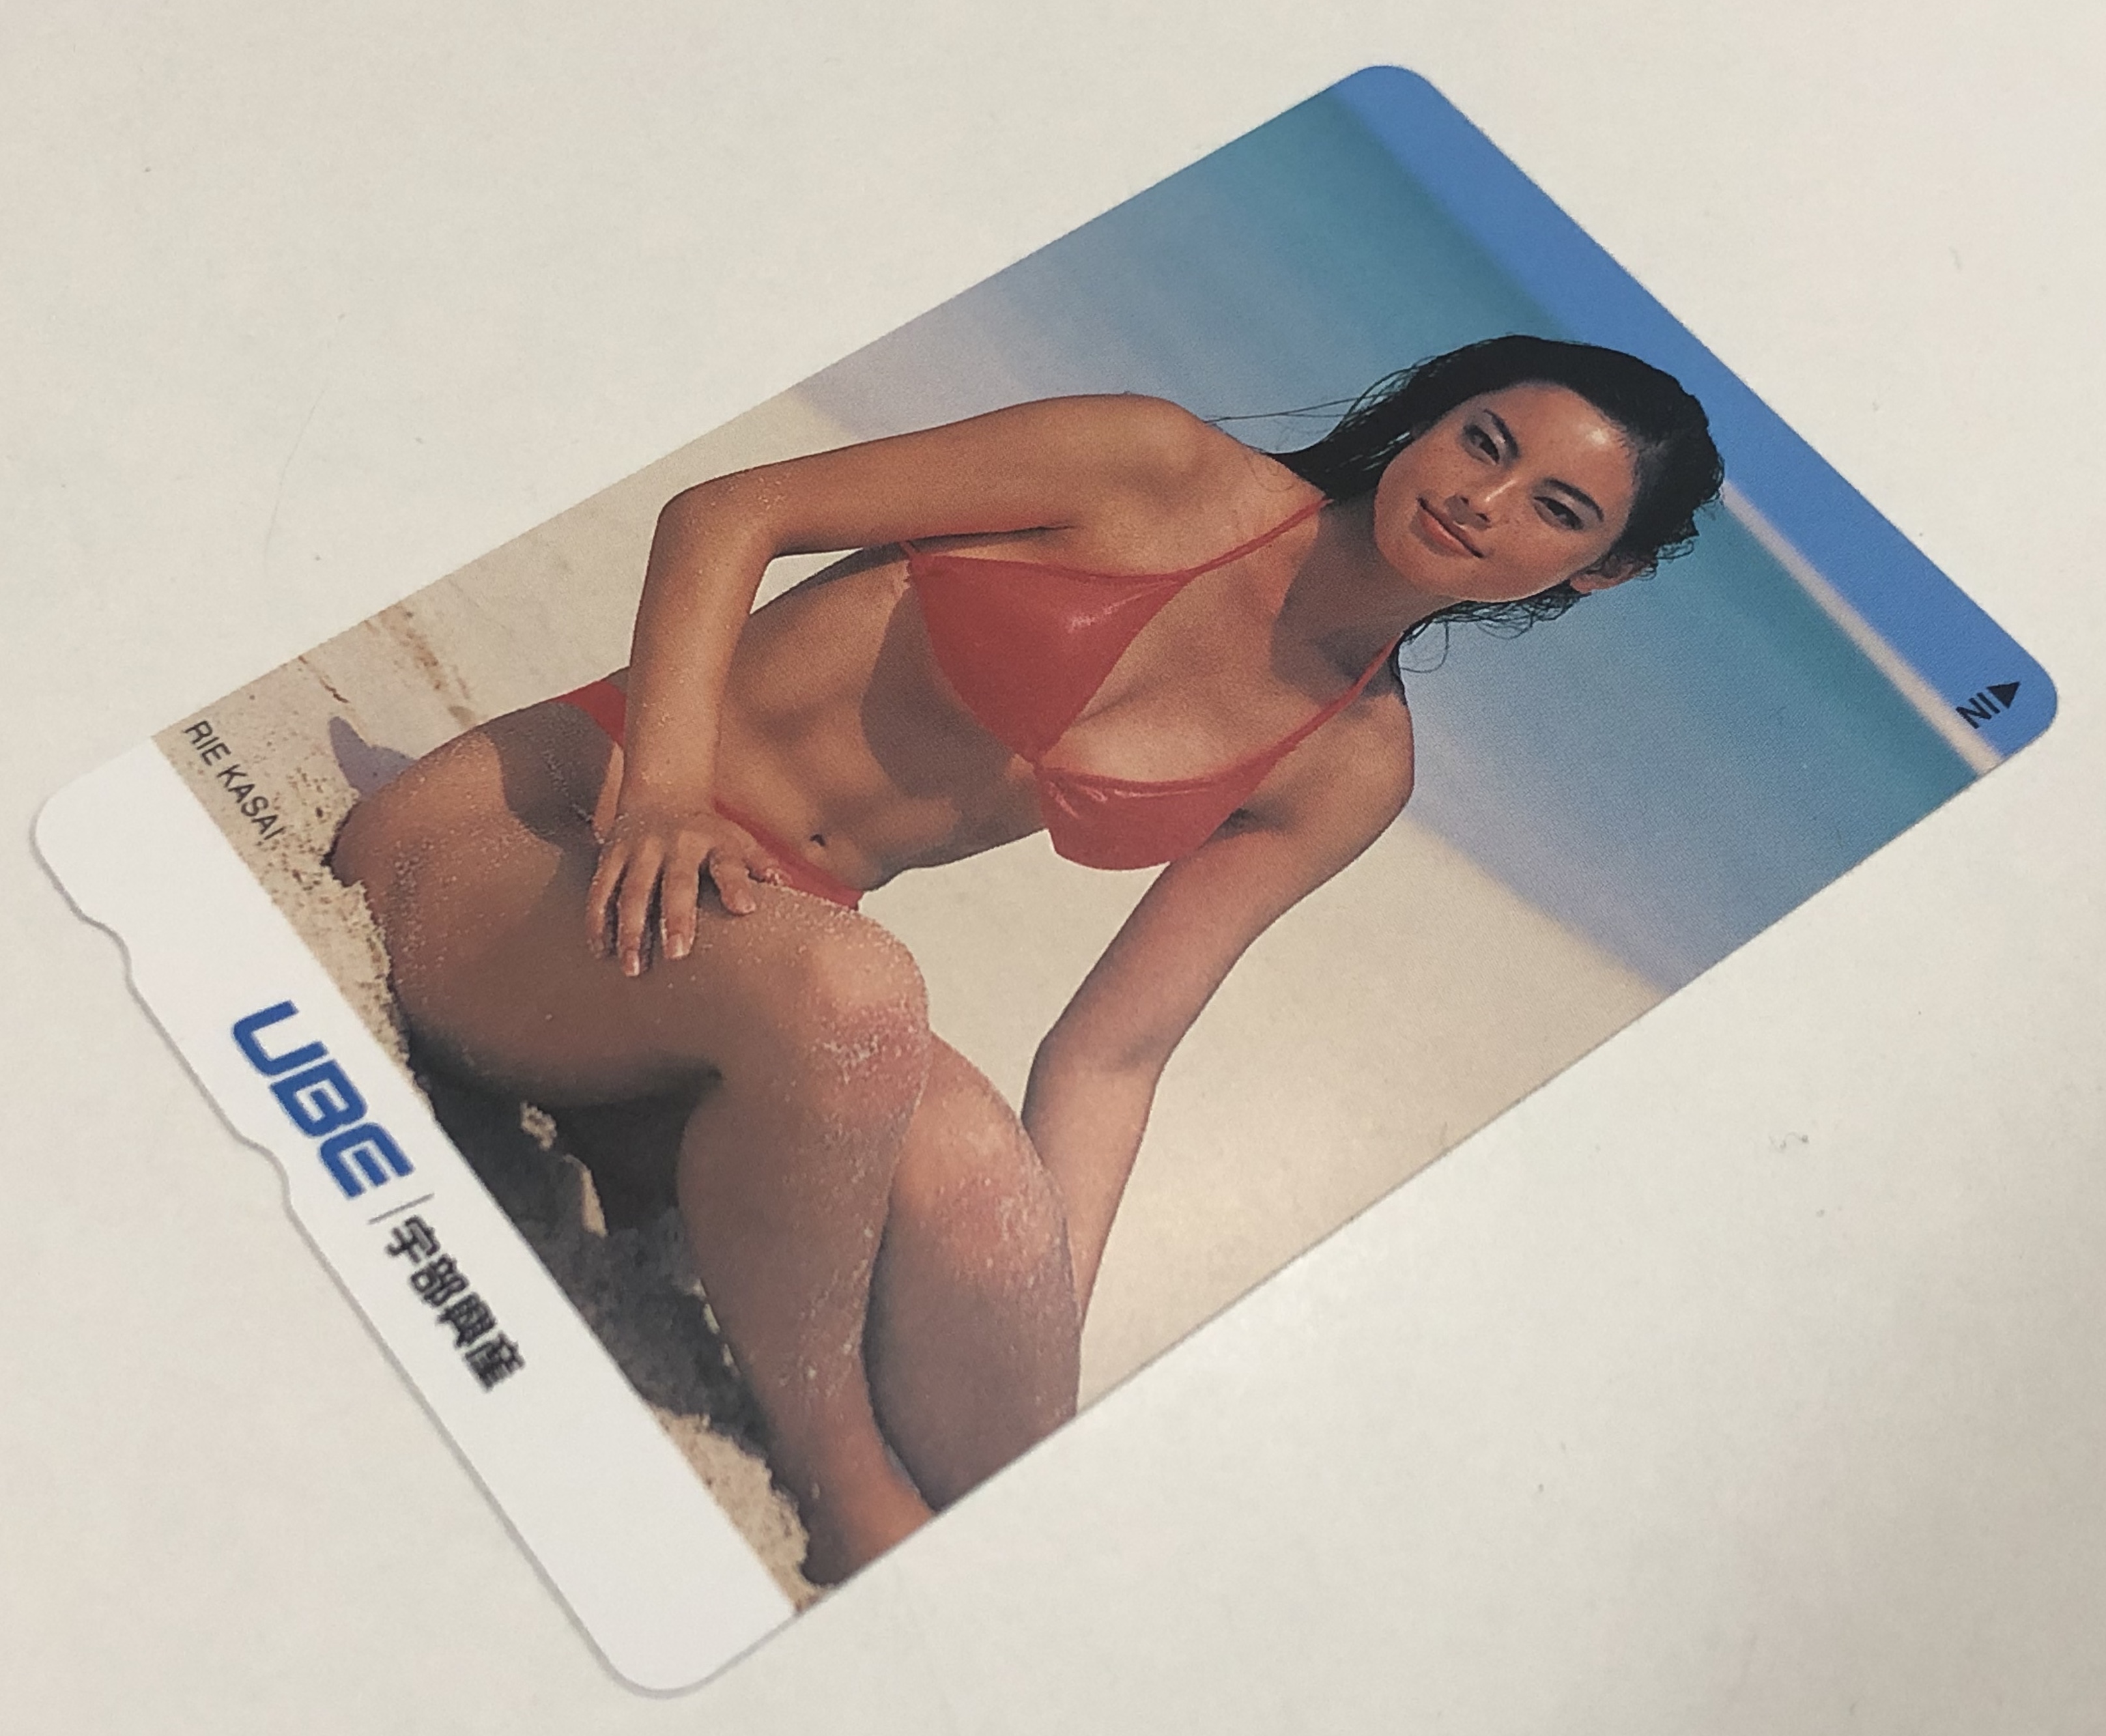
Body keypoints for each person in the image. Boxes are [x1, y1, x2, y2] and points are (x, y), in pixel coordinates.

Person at [330, 334, 1723, 1584]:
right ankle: (842, 1482)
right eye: (1486, 440)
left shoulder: (1349, 762)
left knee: (1000, 1296)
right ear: (1433, 415)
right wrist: (665, 794)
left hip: (743, 979)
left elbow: (1116, 1053)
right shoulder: (1149, 468)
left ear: (1599, 571)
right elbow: (730, 511)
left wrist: (1033, 1313)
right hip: (545, 838)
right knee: (862, 991)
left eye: (1558, 508)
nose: (1484, 498)